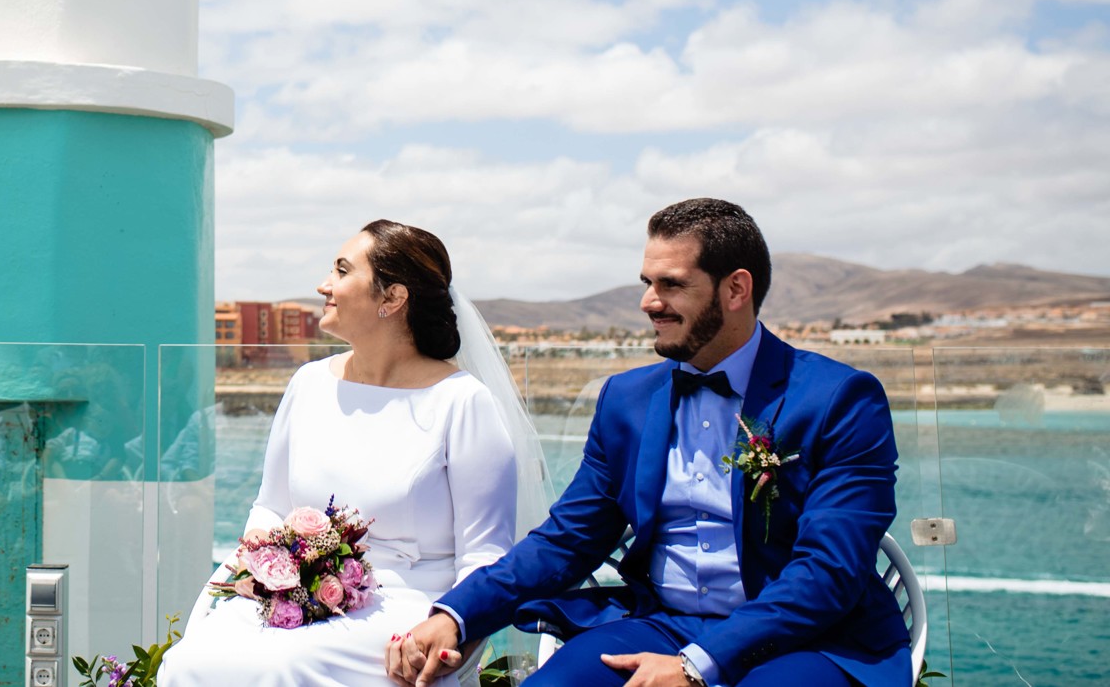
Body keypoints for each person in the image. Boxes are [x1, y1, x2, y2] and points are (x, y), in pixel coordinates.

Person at [389, 199, 911, 687]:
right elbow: (568, 538)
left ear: (736, 289)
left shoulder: (840, 399)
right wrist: (455, 614)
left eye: (671, 285)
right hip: (658, 625)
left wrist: (696, 667)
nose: (648, 302)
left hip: (807, 641)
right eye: (646, 282)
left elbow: (829, 572)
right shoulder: (626, 400)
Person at [159, 220, 548, 687]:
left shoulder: (462, 403)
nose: (324, 285)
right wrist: (264, 575)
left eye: (342, 271)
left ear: (392, 298)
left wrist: (451, 631)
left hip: (408, 605)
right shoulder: (309, 383)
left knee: (280, 668)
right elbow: (270, 505)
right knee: (190, 662)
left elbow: (484, 553)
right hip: (297, 593)